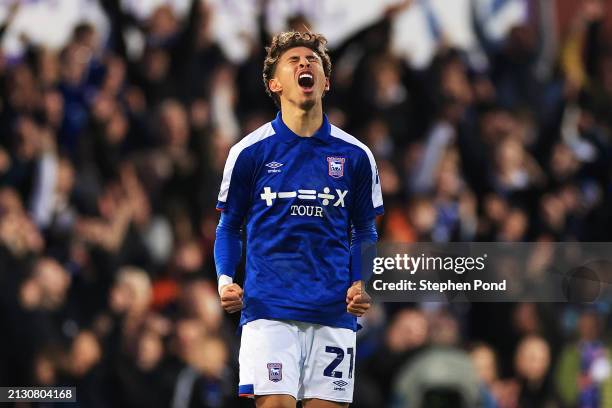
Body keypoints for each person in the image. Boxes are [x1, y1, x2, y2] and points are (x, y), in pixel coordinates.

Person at [214, 31, 384, 408]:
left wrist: (361, 281)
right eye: (293, 60)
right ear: (275, 83)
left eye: (313, 60)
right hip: (269, 311)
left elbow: (365, 229)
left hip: (333, 314)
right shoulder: (248, 152)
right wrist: (226, 280)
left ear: (326, 80)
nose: (305, 63)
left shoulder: (356, 156)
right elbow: (229, 226)